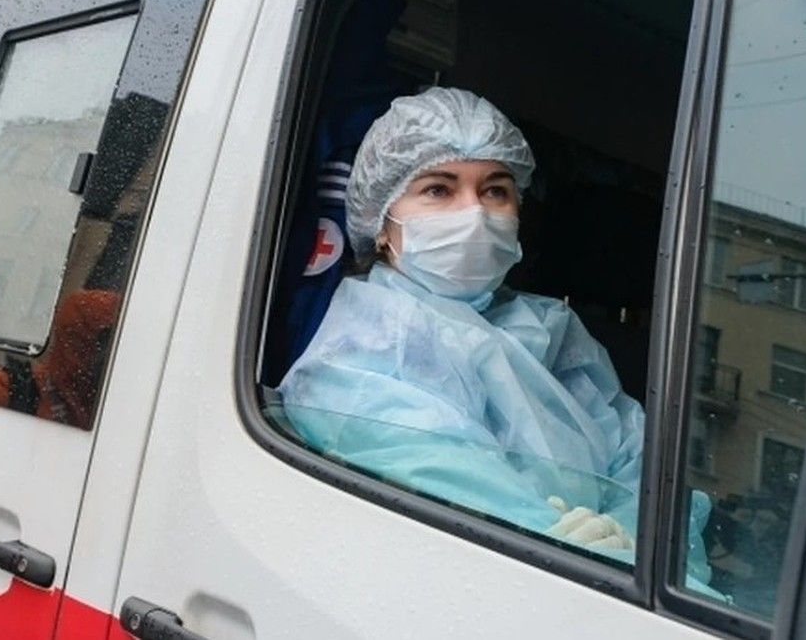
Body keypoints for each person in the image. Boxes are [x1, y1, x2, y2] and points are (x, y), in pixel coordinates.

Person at [277, 88, 714, 577]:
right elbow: (449, 493)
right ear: (381, 221)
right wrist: (573, 551)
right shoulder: (362, 349)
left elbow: (644, 468)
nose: (475, 212)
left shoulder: (552, 332)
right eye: (439, 189)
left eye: (495, 191)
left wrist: (630, 539)